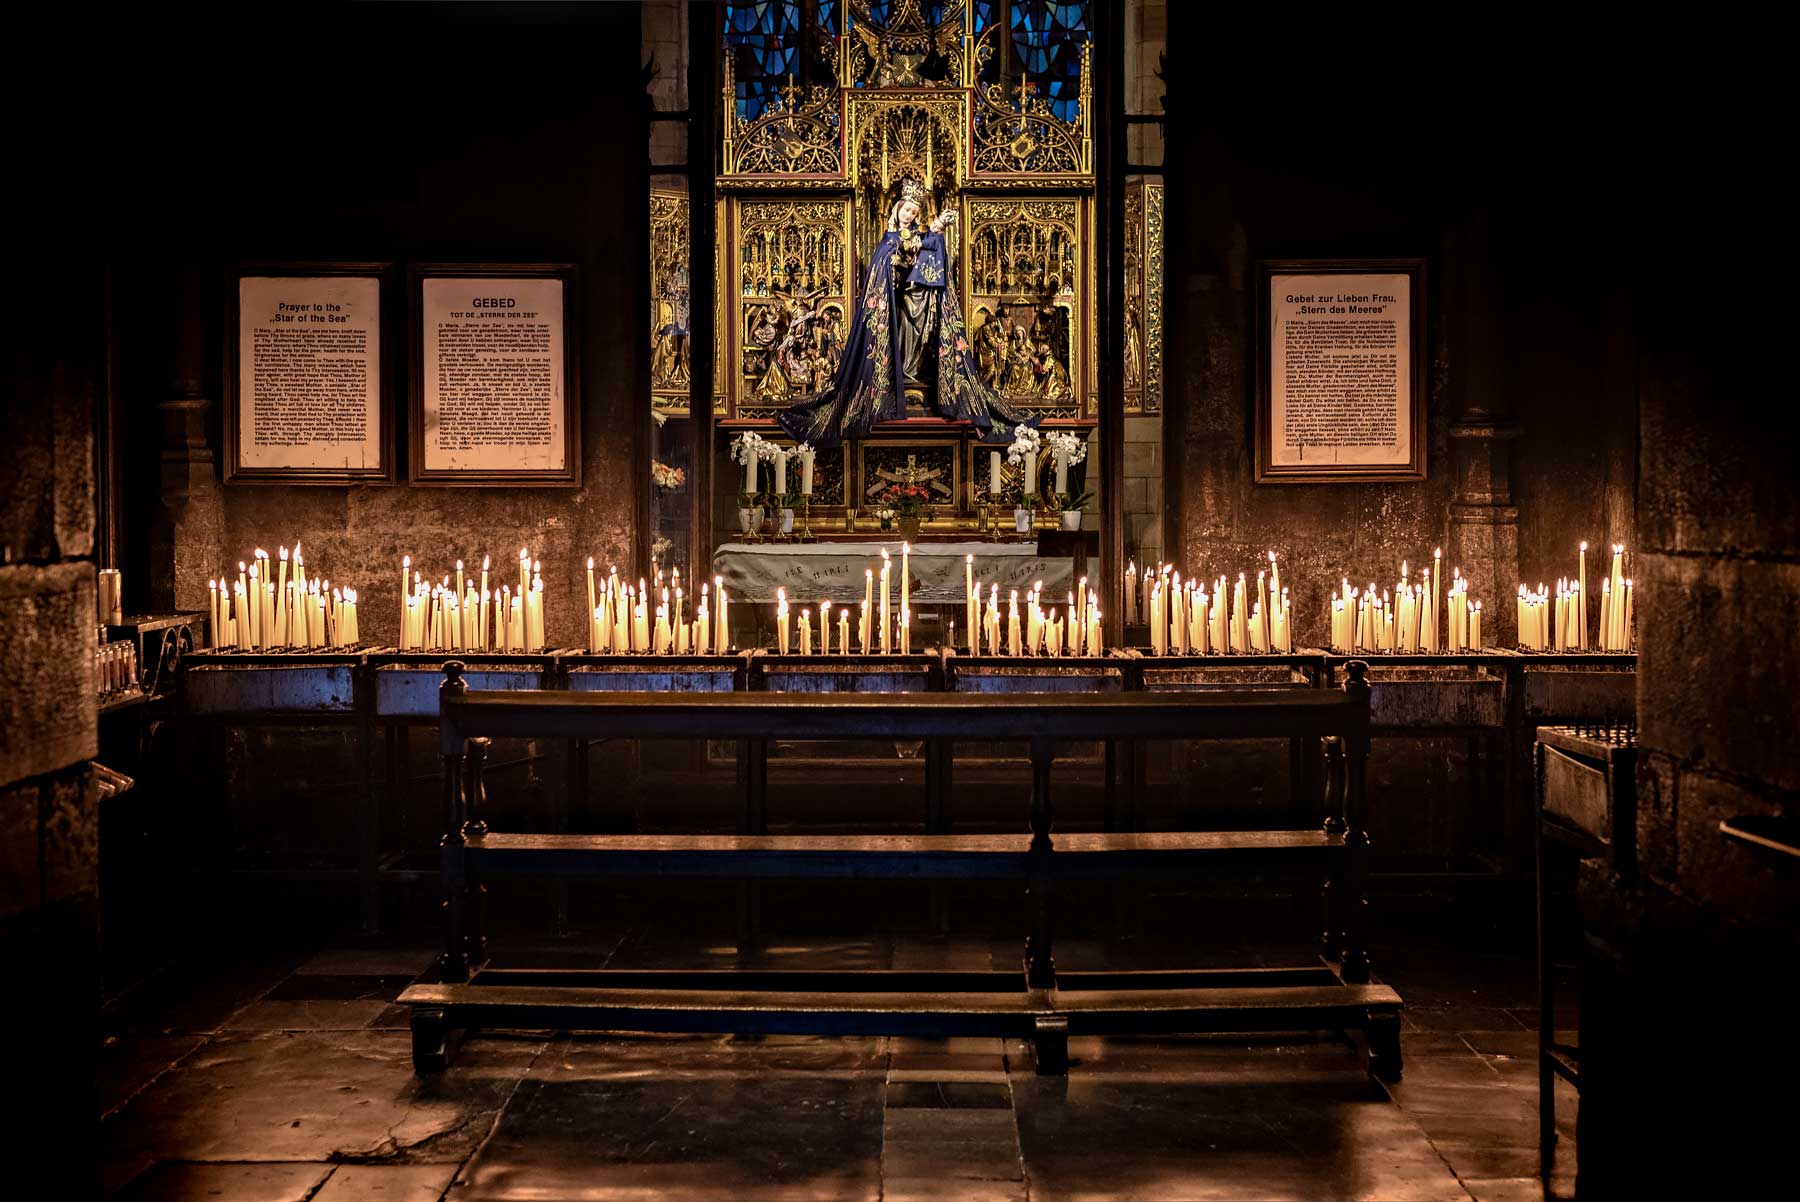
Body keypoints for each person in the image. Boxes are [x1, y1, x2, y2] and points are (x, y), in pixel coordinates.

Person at [777, 175, 1038, 447]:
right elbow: (886, 264)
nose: (909, 214)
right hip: (896, 308)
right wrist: (898, 259)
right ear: (897, 208)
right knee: (899, 341)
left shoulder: (922, 237)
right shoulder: (888, 239)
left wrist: (934, 230)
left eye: (914, 212)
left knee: (917, 343)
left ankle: (915, 378)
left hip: (920, 306)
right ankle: (899, 381)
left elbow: (930, 249)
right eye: (906, 210)